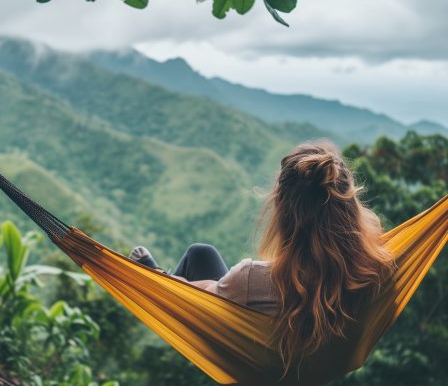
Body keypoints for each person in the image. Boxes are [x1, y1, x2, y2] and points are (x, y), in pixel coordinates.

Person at [129, 140, 395, 369]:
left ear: (282, 210)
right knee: (202, 255)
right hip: (324, 361)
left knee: (198, 256)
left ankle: (158, 278)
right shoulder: (379, 270)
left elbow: (194, 300)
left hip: (261, 364)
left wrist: (158, 282)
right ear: (351, 209)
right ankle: (160, 278)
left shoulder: (251, 280)